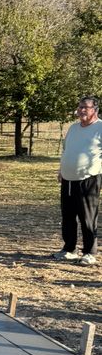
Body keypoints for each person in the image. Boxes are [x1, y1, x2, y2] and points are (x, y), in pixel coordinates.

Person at [55, 95, 102, 264]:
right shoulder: (74, 128)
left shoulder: (100, 128)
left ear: (95, 110)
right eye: (80, 107)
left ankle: (89, 252)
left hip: (88, 179)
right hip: (68, 178)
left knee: (87, 217)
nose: (81, 110)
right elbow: (66, 149)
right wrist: (62, 169)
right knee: (68, 215)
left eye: (86, 107)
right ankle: (69, 249)